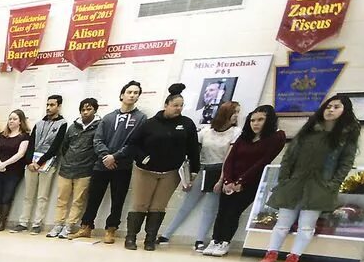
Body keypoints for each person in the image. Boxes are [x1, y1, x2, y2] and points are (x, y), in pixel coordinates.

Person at [258, 93, 360, 262]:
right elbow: (289, 157)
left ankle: (294, 257)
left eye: (336, 107)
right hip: (294, 184)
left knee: (306, 226)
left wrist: (332, 184)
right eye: (328, 106)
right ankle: (271, 253)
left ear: (345, 111)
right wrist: (284, 180)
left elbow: (346, 163)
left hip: (320, 187)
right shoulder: (309, 130)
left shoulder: (346, 136)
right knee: (282, 223)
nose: (331, 110)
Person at [119, 83, 200, 251]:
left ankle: (150, 239)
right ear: (166, 105)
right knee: (140, 204)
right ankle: (131, 237)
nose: (178, 108)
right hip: (145, 171)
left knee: (158, 206)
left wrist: (194, 170)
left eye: (181, 106)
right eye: (175, 105)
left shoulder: (187, 124)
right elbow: (132, 144)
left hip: (171, 173)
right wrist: (144, 158)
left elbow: (193, 148)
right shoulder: (150, 124)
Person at [201, 106, 286, 257]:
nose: (256, 123)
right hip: (230, 180)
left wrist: (241, 181)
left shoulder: (276, 137)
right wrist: (227, 180)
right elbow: (230, 158)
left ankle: (225, 242)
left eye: (260, 120)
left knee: (233, 212)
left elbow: (262, 162)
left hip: (251, 182)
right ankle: (215, 240)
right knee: (222, 212)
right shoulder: (244, 137)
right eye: (253, 120)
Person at [160, 101, 240, 250]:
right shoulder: (206, 130)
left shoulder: (236, 132)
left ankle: (200, 240)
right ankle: (166, 234)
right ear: (225, 113)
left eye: (237, 113)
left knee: (209, 208)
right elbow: (193, 152)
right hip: (203, 168)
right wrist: (189, 177)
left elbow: (229, 158)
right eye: (234, 112)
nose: (236, 116)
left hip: (219, 170)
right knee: (187, 204)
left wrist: (222, 179)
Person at [75, 81, 147, 243]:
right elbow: (97, 140)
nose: (132, 95)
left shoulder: (141, 118)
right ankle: (86, 226)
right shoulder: (108, 117)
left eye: (136, 93)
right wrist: (106, 156)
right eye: (129, 92)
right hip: (101, 165)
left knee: (118, 200)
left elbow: (134, 143)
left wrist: (115, 157)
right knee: (93, 198)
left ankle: (111, 229)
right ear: (122, 95)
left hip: (122, 166)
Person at [13, 95, 68, 233]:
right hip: (32, 163)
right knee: (28, 195)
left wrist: (40, 162)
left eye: (52, 105)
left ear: (59, 106)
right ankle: (23, 222)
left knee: (42, 195)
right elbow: (31, 144)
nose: (49, 108)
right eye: (47, 104)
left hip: (48, 163)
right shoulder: (38, 124)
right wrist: (30, 161)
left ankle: (37, 224)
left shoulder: (62, 124)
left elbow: (56, 147)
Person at [46, 99, 100, 238]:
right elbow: (64, 147)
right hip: (66, 169)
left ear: (95, 110)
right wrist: (68, 160)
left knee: (78, 201)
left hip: (84, 171)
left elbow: (97, 149)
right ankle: (58, 224)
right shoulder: (72, 127)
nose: (86, 112)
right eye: (83, 109)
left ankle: (69, 226)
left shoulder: (99, 127)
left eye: (89, 109)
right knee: (61, 199)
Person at [0, 109, 31, 232]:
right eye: (10, 118)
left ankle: (2, 221)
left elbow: (20, 154)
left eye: (14, 119)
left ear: (20, 121)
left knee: (7, 197)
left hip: (13, 172)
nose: (11, 121)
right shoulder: (2, 135)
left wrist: (5, 164)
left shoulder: (24, 136)